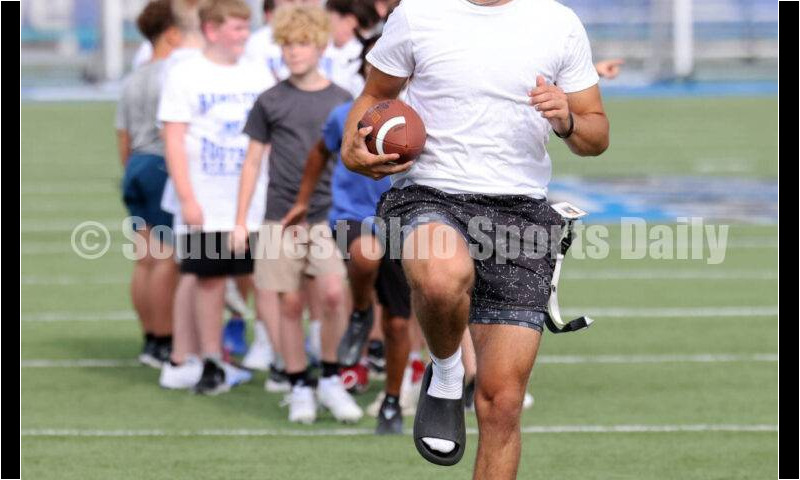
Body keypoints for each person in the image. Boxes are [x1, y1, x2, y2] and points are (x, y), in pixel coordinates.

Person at [341, 0, 609, 476]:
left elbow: (596, 134)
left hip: (521, 211)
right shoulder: (418, 14)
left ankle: (456, 379)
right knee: (443, 277)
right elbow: (372, 95)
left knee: (501, 404)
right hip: (429, 192)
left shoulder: (559, 21)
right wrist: (353, 146)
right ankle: (445, 372)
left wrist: (566, 118)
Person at [231, 4, 361, 424]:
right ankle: (299, 383)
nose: (294, 52)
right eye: (287, 44)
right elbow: (252, 162)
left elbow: (355, 163)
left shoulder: (343, 100)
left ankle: (331, 377)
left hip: (328, 217)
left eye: (302, 43)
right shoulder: (270, 100)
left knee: (334, 294)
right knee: (288, 305)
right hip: (278, 218)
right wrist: (239, 220)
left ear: (320, 45)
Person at [158, 0, 274, 394]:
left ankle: (273, 353)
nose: (245, 36)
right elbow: (173, 140)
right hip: (206, 198)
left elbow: (273, 137)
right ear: (212, 31)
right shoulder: (185, 74)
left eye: (246, 28)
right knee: (208, 280)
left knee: (266, 278)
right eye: (236, 29)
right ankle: (211, 360)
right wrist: (188, 198)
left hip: (253, 201)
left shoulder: (258, 73)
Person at [116, 0, 181, 369]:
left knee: (144, 261)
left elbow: (122, 135)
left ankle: (149, 338)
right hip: (160, 165)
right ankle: (163, 339)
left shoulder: (135, 76)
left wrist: (130, 169)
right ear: (171, 32)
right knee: (166, 261)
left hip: (137, 165)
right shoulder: (171, 75)